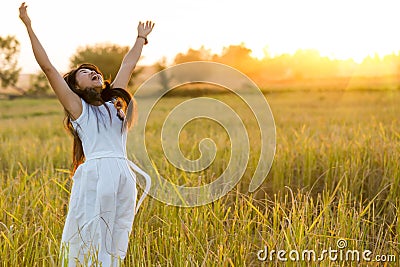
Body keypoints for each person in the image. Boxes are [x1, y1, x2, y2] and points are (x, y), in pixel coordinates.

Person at [18, 2, 154, 266]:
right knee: (90, 235)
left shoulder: (113, 105)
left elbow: (127, 65)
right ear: (76, 87)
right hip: (97, 172)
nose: (93, 72)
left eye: (95, 71)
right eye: (84, 72)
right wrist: (28, 25)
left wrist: (140, 38)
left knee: (117, 236)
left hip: (123, 175)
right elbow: (48, 68)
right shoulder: (78, 110)